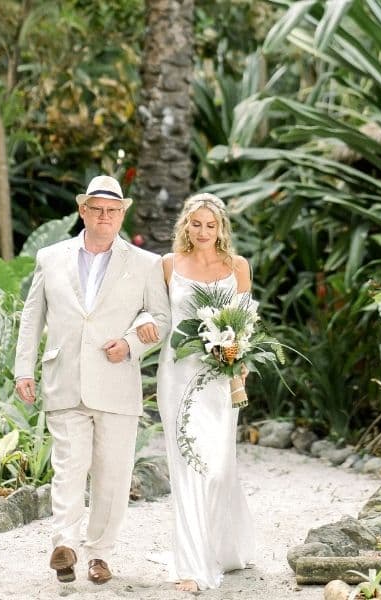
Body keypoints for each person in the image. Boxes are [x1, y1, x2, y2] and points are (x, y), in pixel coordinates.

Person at [14, 175, 170, 585]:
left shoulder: (146, 264)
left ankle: (100, 554)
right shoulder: (50, 257)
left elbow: (161, 317)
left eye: (113, 211)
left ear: (122, 214)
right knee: (68, 467)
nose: (105, 217)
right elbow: (33, 316)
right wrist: (23, 369)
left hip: (117, 381)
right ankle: (64, 545)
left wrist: (133, 343)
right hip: (64, 378)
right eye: (97, 209)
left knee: (112, 475)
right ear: (82, 210)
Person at [136, 192, 255, 592]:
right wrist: (142, 327)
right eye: (196, 224)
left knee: (219, 467)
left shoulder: (237, 267)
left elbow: (244, 325)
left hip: (220, 378)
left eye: (211, 225)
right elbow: (155, 314)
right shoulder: (167, 266)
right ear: (185, 225)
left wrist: (235, 361)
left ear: (221, 228)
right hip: (178, 375)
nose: (203, 231)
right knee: (188, 466)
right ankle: (191, 565)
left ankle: (222, 547)